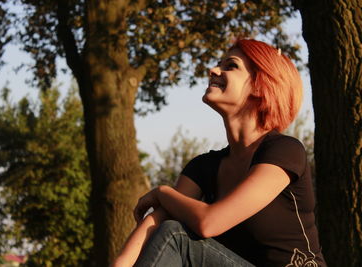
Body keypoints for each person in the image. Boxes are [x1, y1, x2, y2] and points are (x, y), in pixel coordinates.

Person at [112, 39, 327, 267]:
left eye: (230, 66)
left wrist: (163, 192)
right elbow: (154, 227)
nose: (213, 70)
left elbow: (210, 223)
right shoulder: (203, 167)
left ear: (259, 85)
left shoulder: (284, 151)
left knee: (177, 237)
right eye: (218, 64)